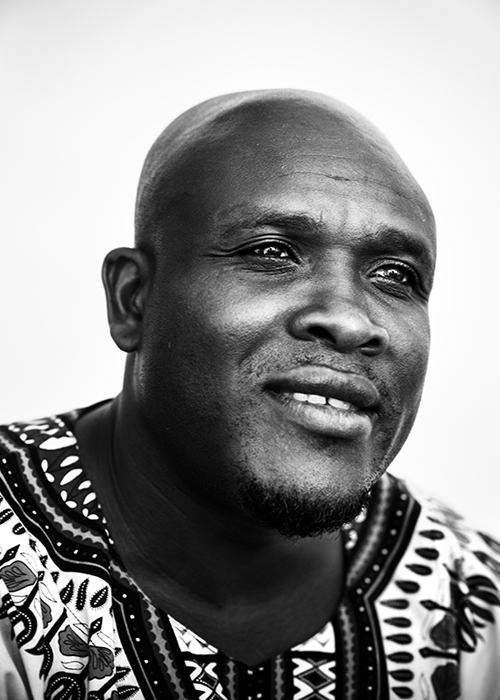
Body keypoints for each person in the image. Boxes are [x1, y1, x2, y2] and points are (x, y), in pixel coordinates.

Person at [0, 89, 499, 700]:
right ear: (133, 299)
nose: (349, 320)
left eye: (395, 275)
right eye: (272, 253)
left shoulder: (473, 602)